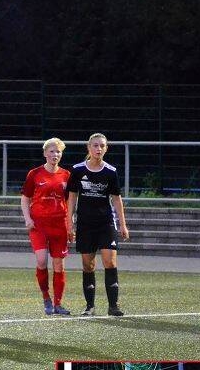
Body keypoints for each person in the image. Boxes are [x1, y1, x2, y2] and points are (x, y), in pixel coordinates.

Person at [67, 133, 129, 317]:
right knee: (88, 265)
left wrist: (123, 225)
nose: (98, 149)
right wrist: (69, 221)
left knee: (110, 261)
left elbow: (116, 199)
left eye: (102, 146)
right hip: (85, 224)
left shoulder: (110, 171)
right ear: (89, 147)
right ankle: (90, 306)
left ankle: (113, 306)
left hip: (106, 223)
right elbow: (72, 197)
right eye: (95, 145)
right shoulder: (77, 170)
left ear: (106, 148)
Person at [20, 137, 72, 315]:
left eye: (58, 151)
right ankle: (46, 298)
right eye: (51, 151)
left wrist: (70, 223)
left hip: (59, 224)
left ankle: (58, 304)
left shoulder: (66, 175)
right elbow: (25, 198)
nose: (55, 154)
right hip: (39, 224)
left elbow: (70, 202)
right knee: (42, 261)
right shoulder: (34, 174)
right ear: (45, 153)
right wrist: (27, 218)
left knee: (59, 265)